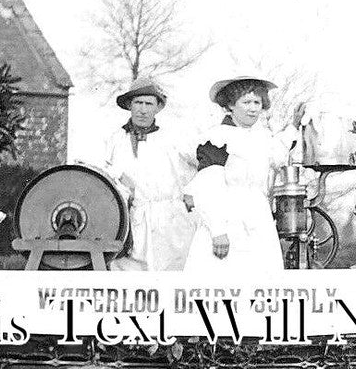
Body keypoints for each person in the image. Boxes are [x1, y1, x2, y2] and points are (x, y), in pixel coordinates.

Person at [183, 73, 298, 274]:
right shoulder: (217, 138)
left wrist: (293, 127)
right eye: (246, 102)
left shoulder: (260, 137)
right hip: (228, 222)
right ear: (230, 105)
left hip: (259, 220)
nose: (253, 108)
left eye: (257, 102)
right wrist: (218, 232)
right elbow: (207, 186)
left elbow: (277, 154)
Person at [104, 77, 196, 270]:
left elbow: (205, 163)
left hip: (171, 221)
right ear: (130, 105)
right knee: (130, 279)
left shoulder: (174, 137)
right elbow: (105, 173)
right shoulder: (116, 139)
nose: (143, 110)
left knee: (171, 277)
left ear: (158, 107)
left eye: (149, 103)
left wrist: (193, 193)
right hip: (132, 220)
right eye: (138, 103)